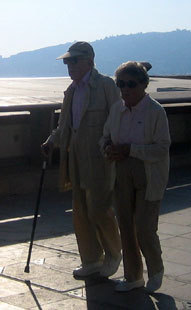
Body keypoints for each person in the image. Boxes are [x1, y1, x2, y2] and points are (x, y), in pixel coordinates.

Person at [41, 41, 122, 278]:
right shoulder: (72, 90)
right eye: (67, 61)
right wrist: (51, 141)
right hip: (75, 156)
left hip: (100, 157)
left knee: (99, 208)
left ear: (89, 60)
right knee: (80, 210)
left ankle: (114, 254)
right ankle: (91, 259)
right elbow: (65, 125)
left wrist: (111, 145)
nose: (69, 65)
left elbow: (117, 118)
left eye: (74, 60)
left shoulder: (106, 85)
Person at [100, 61, 171, 292]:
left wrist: (131, 150)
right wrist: (108, 147)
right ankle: (133, 277)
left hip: (148, 175)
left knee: (144, 227)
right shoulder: (116, 109)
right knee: (126, 228)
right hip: (121, 172)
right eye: (120, 84)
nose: (125, 89)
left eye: (130, 84)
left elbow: (162, 148)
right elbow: (105, 136)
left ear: (143, 85)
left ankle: (156, 268)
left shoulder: (155, 112)